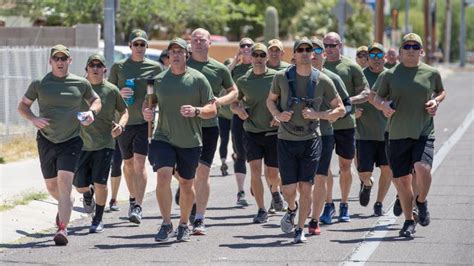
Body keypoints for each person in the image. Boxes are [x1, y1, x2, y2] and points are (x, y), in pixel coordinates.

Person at [18, 44, 101, 245]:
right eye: (57, 59)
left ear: (70, 61)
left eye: (64, 59)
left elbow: (96, 100)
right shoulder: (40, 83)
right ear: (51, 62)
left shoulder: (81, 83)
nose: (60, 62)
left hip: (71, 140)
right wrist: (34, 119)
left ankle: (63, 229)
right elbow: (23, 106)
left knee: (65, 184)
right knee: (52, 186)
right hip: (46, 139)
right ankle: (68, 201)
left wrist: (91, 112)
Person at [267, 37, 344, 243]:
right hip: (286, 138)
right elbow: (270, 101)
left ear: (313, 54)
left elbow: (340, 109)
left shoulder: (323, 80)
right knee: (289, 189)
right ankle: (292, 208)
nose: (303, 52)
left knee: (306, 187)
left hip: (311, 139)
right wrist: (277, 115)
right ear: (293, 54)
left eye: (307, 49)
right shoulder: (281, 77)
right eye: (299, 49)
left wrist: (319, 115)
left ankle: (300, 229)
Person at [143, 37, 216, 242]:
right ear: (168, 56)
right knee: (164, 176)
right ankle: (166, 224)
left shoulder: (199, 79)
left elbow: (212, 109)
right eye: (172, 52)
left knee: (185, 183)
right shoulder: (159, 80)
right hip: (163, 136)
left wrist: (197, 111)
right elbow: (148, 105)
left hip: (190, 140)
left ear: (187, 55)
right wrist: (147, 113)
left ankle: (184, 223)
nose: (175, 55)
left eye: (179, 51)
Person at [373, 33, 446, 237]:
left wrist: (436, 101)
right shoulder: (389, 74)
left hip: (423, 131)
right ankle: (408, 220)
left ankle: (421, 201)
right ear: (400, 50)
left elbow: (441, 91)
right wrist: (383, 106)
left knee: (422, 169)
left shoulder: (431, 73)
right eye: (407, 46)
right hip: (396, 134)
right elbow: (376, 97)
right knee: (403, 182)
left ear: (421, 51)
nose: (411, 50)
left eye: (416, 46)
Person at [186, 28, 238, 235]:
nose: (198, 43)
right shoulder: (182, 66)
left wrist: (219, 102)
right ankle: (188, 200)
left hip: (208, 127)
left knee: (203, 171)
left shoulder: (218, 69)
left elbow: (234, 91)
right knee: (184, 175)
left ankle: (199, 217)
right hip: (183, 128)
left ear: (210, 43)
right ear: (190, 43)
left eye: (202, 40)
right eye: (194, 40)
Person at [108, 29, 163, 224]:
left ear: (146, 46)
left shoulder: (155, 68)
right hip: (124, 122)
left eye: (142, 44)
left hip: (144, 123)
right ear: (130, 46)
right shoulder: (119, 67)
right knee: (128, 164)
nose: (139, 47)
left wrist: (152, 105)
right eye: (135, 44)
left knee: (140, 163)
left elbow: (161, 95)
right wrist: (119, 93)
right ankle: (132, 197)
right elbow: (109, 92)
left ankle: (138, 206)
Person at [74, 53, 128, 232]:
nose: (95, 69)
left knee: (101, 183)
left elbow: (124, 112)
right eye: (92, 65)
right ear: (87, 69)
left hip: (105, 143)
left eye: (99, 65)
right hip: (80, 144)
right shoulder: (79, 88)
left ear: (105, 69)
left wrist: (120, 126)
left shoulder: (111, 90)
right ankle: (87, 194)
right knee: (80, 185)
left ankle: (97, 219)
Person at [231, 43, 284, 224]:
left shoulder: (277, 77)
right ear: (251, 57)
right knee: (255, 171)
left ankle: (275, 191)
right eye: (256, 55)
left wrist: (279, 116)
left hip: (273, 132)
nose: (259, 58)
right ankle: (261, 209)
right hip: (252, 132)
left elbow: (286, 100)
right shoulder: (243, 80)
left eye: (262, 55)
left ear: (267, 57)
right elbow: (234, 102)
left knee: (272, 174)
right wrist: (238, 110)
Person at [322, 32, 370, 223]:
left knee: (345, 166)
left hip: (346, 125)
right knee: (323, 167)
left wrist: (348, 101)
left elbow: (366, 92)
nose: (329, 49)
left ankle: (344, 204)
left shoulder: (350, 66)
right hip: (324, 124)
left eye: (332, 45)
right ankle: (328, 204)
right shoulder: (318, 66)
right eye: (325, 45)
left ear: (340, 45)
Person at [309, 38, 349, 234]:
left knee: (321, 174)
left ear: (324, 55)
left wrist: (334, 115)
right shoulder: (299, 76)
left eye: (318, 50)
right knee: (311, 175)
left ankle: (327, 205)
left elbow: (347, 104)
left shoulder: (332, 78)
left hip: (327, 131)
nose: (314, 54)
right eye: (311, 50)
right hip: (302, 134)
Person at [356, 43, 392, 216]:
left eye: (379, 56)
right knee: (364, 172)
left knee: (387, 169)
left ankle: (379, 203)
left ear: (384, 57)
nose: (376, 59)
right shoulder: (360, 76)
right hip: (364, 133)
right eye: (373, 56)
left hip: (387, 133)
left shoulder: (391, 76)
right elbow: (346, 98)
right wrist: (352, 110)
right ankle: (367, 184)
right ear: (367, 58)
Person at [228, 38, 254, 209]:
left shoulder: (259, 66)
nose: (245, 48)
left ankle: (259, 186)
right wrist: (235, 61)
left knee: (260, 156)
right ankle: (241, 192)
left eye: (249, 46)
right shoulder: (235, 69)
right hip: (238, 115)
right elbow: (223, 79)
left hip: (258, 117)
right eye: (242, 45)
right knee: (240, 153)